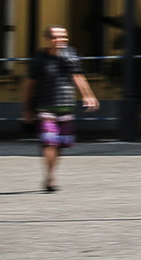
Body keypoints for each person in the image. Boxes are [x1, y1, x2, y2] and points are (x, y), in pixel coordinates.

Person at [23, 26, 97, 193]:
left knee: (59, 145)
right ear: (49, 40)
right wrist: (27, 108)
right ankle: (50, 178)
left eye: (64, 37)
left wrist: (88, 95)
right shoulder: (39, 59)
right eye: (57, 37)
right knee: (50, 142)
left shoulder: (71, 55)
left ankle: (51, 173)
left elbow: (78, 76)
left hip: (65, 106)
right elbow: (30, 85)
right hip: (44, 106)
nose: (61, 40)